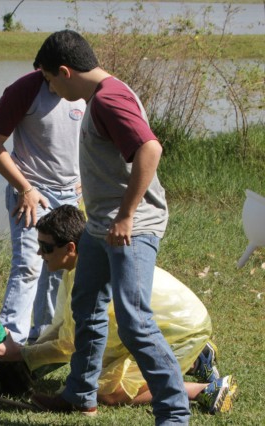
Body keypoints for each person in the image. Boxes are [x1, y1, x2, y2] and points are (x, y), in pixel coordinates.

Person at [31, 29, 190, 424]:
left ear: (65, 71)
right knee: (86, 306)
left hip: (131, 229)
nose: (50, 87)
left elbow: (150, 149)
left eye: (49, 79)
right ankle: (80, 394)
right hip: (101, 227)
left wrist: (126, 216)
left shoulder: (109, 98)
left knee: (134, 321)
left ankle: (173, 414)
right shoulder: (100, 96)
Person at [0, 206, 237, 415]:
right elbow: (65, 327)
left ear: (70, 248)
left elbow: (73, 345)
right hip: (172, 319)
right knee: (101, 365)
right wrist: (24, 355)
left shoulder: (84, 273)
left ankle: (205, 389)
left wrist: (23, 354)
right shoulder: (76, 268)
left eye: (47, 248)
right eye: (39, 245)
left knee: (109, 393)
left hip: (183, 327)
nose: (40, 253)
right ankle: (194, 359)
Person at [0, 60, 86, 346]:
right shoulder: (23, 90)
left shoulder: (83, 90)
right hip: (31, 191)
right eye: (45, 75)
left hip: (70, 193)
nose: (50, 83)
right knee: (29, 265)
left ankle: (42, 339)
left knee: (57, 267)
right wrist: (24, 188)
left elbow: (92, 139)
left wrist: (84, 179)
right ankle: (9, 341)